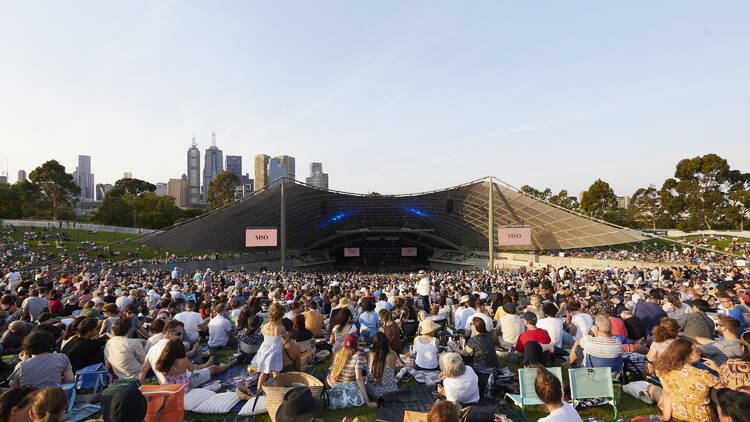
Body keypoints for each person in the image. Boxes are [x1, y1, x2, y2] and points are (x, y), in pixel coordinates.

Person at [647, 338, 718, 422]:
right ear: (688, 356)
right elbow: (724, 389)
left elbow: (667, 393)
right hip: (700, 418)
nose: (699, 353)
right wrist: (718, 369)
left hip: (677, 413)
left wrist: (666, 417)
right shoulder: (703, 374)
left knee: (652, 388)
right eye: (696, 351)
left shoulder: (663, 371)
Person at [156, 338, 234, 392]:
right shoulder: (183, 361)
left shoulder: (161, 362)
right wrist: (207, 364)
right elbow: (194, 369)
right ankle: (232, 363)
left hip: (169, 389)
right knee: (213, 368)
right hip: (184, 389)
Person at [9, 330, 74, 388]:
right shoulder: (61, 358)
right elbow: (69, 379)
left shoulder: (21, 366)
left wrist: (25, 362)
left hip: (32, 399)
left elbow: (13, 385)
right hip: (54, 396)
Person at [326, 333, 376, 408]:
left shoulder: (338, 353)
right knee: (365, 375)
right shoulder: (357, 356)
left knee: (327, 372)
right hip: (348, 386)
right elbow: (359, 379)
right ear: (356, 344)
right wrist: (367, 401)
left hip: (334, 384)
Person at [251, 302, 286, 395]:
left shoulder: (264, 326)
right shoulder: (281, 328)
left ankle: (258, 390)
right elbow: (285, 338)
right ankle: (277, 391)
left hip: (264, 349)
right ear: (281, 316)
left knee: (263, 372)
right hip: (275, 351)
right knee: (276, 372)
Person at [708, 329, 750, 394]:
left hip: (735, 401)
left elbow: (726, 381)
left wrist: (717, 369)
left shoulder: (729, 364)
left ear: (743, 347)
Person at [365, 332, 399, 399]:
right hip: (389, 392)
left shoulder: (369, 354)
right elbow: (393, 368)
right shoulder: (393, 355)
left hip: (371, 392)